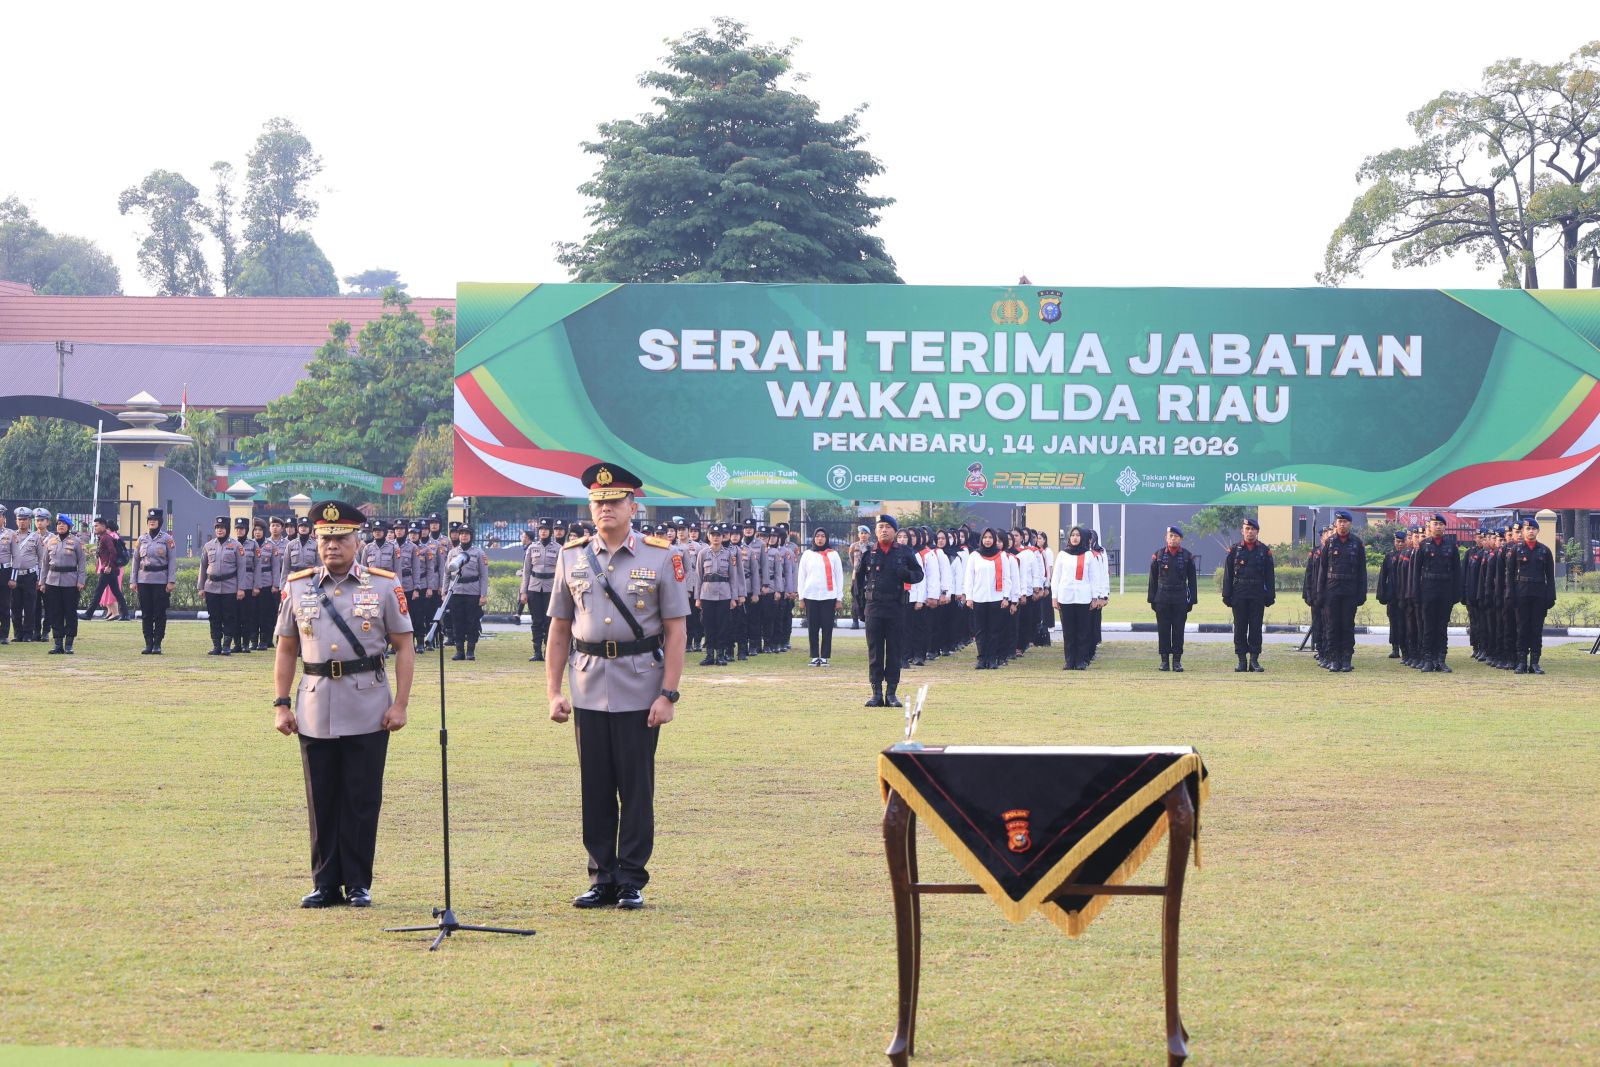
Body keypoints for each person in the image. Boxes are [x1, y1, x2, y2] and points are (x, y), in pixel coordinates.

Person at [545, 463, 687, 911]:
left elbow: (676, 631)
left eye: (614, 501)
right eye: (598, 501)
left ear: (632, 506)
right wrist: (553, 691)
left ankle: (630, 877)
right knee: (596, 786)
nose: (605, 508)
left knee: (636, 787)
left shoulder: (660, 556)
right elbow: (559, 629)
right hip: (587, 684)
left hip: (640, 685)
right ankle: (601, 876)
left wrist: (668, 694)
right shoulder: (571, 556)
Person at [273, 498, 413, 908]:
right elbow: (286, 648)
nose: (332, 546)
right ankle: (324, 883)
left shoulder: (383, 585)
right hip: (315, 705)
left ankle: (357, 883)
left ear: (358, 542)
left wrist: (401, 704)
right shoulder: (299, 586)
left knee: (361, 797)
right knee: (321, 798)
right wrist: (281, 704)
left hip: (368, 706)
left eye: (341, 538)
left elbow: (405, 646)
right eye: (325, 539)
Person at [851, 514, 924, 708]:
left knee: (894, 651)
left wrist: (906, 574)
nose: (884, 530)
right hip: (873, 607)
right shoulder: (869, 553)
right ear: (876, 531)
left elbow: (919, 574)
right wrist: (860, 608)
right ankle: (876, 693)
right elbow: (858, 583)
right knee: (875, 651)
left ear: (894, 531)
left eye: (888, 527)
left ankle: (891, 693)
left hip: (896, 608)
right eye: (881, 527)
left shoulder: (904, 552)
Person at [1221, 516, 1274, 673]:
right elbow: (1228, 574)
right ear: (1242, 531)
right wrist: (1226, 594)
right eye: (1247, 529)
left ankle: (1254, 660)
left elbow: (1270, 576)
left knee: (1256, 627)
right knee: (1240, 627)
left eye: (1253, 529)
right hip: (1240, 592)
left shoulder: (1264, 551)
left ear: (1257, 532)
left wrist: (1270, 595)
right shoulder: (1234, 550)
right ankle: (1242, 660)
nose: (1250, 532)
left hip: (1257, 593)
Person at [1317, 510, 1367, 673]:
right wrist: (1320, 593)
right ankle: (1334, 659)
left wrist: (1362, 593)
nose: (1342, 524)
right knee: (1332, 626)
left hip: (1350, 591)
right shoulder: (1330, 543)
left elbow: (1362, 571)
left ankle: (1346, 659)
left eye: (1345, 522)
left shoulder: (1357, 543)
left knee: (1347, 626)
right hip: (1332, 590)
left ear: (1350, 524)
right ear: (1336, 524)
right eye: (1339, 522)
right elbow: (1322, 570)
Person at [1052, 525, 1107, 670]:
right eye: (1073, 535)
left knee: (1083, 631)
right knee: (1068, 632)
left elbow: (1094, 577)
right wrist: (1054, 596)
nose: (1075, 538)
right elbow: (1056, 576)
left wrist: (1095, 597)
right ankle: (1069, 661)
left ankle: (1081, 661)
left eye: (1078, 535)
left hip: (1083, 598)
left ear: (1082, 538)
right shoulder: (1062, 555)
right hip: (1065, 597)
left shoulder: (1088, 555)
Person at [1410, 513, 1460, 673]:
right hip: (1428, 591)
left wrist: (1456, 594)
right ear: (1430, 527)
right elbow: (1416, 572)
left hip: (1445, 591)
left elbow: (1457, 572)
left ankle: (1440, 660)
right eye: (1435, 524)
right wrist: (1415, 593)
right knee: (1428, 627)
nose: (1438, 526)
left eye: (1440, 524)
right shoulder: (1423, 545)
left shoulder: (1451, 546)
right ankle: (1427, 660)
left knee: (1442, 627)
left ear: (1445, 527)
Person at [1508, 517, 1556, 674]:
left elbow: (1550, 576)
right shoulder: (1516, 550)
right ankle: (1521, 662)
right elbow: (1509, 575)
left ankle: (1534, 663)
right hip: (1521, 593)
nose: (1530, 531)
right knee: (1522, 629)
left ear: (1538, 531)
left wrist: (1551, 596)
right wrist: (1511, 595)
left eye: (1533, 529)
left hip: (1539, 594)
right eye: (1527, 529)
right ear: (1523, 531)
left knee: (1536, 629)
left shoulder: (1545, 551)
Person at [1147, 524, 1198, 672]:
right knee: (1163, 630)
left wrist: (1192, 600)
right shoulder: (1158, 555)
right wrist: (1152, 599)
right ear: (1166, 538)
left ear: (1180, 539)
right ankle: (1164, 661)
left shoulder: (1187, 557)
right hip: (1162, 598)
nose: (1173, 539)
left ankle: (1177, 661)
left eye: (1176, 536)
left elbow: (1192, 580)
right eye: (1170, 536)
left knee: (1178, 630)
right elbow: (1152, 580)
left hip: (1180, 598)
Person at [964, 528, 1014, 670]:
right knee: (980, 631)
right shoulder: (974, 555)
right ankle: (982, 658)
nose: (987, 540)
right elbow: (969, 577)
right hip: (978, 598)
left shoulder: (1001, 555)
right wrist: (969, 597)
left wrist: (1006, 597)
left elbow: (1007, 578)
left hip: (996, 598)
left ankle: (992, 659)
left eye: (990, 537)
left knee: (994, 630)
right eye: (985, 537)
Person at [199, 517, 246, 656]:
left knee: (229, 617)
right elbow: (203, 567)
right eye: (217, 527)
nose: (219, 530)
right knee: (214, 617)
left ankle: (226, 645)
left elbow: (241, 568)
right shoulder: (208, 546)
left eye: (222, 527)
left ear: (227, 529)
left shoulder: (236, 546)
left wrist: (241, 588)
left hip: (229, 587)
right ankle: (216, 645)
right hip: (211, 587)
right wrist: (201, 587)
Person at [798, 526, 844, 665]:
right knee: (812, 628)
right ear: (813, 538)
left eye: (823, 536)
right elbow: (801, 576)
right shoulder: (807, 554)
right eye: (817, 536)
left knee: (827, 627)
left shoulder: (833, 554)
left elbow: (839, 577)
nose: (820, 539)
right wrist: (801, 597)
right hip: (810, 596)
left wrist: (839, 598)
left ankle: (824, 656)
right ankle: (814, 656)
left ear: (827, 538)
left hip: (829, 596)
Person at [133, 508, 177, 654]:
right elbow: (135, 561)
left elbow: (172, 561)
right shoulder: (141, 539)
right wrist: (133, 580)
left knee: (159, 613)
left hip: (160, 581)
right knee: (146, 613)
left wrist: (171, 581)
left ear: (160, 522)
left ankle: (157, 643)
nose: (152, 522)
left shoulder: (167, 539)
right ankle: (148, 643)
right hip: (143, 580)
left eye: (155, 520)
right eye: (150, 520)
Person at [42, 513, 87, 654]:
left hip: (70, 582)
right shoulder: (50, 541)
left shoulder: (76, 542)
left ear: (68, 526)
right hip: (52, 582)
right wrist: (42, 582)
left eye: (63, 524)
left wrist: (81, 581)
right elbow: (44, 564)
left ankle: (69, 644)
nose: (61, 526)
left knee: (70, 613)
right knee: (55, 613)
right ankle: (58, 644)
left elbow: (82, 563)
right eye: (59, 524)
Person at [446, 525, 488, 661]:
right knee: (457, 621)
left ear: (471, 536)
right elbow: (446, 574)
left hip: (472, 591)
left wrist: (483, 594)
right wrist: (444, 592)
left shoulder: (479, 553)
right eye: (461, 533)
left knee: (472, 621)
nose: (464, 536)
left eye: (467, 534)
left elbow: (484, 575)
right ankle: (459, 651)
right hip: (456, 590)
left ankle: (470, 650)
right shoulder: (452, 552)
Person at [522, 517, 560, 662]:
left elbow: (561, 572)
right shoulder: (532, 548)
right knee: (536, 621)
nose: (543, 532)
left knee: (549, 621)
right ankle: (537, 651)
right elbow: (526, 571)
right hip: (534, 587)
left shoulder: (558, 548)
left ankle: (548, 651)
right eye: (541, 529)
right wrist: (523, 591)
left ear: (550, 532)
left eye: (546, 529)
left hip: (551, 588)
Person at [83, 516, 127, 622]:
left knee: (98, 592)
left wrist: (109, 566)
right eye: (94, 526)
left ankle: (88, 614)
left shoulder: (105, 538)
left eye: (96, 526)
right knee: (117, 593)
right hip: (110, 570)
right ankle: (126, 614)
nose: (94, 528)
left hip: (108, 570)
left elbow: (113, 552)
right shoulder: (103, 537)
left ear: (103, 526)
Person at [8, 508, 40, 642]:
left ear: (29, 521)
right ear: (16, 521)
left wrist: (40, 578)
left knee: (29, 606)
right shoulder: (11, 535)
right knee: (15, 606)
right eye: (19, 519)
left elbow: (41, 558)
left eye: (24, 519)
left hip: (29, 576)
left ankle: (28, 634)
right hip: (14, 576)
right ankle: (18, 634)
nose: (22, 522)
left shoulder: (35, 536)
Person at [1376, 530, 1408, 660]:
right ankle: (1395, 648)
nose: (1400, 544)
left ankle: (1405, 649)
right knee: (1393, 622)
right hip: (1392, 595)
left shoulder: (1409, 555)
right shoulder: (1389, 556)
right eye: (1398, 541)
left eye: (1402, 542)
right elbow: (1383, 576)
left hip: (1405, 595)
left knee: (1405, 622)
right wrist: (1381, 594)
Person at [0, 505, 13, 645]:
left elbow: (16, 557)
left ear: (4, 518)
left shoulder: (10, 534)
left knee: (4, 605)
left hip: (4, 572)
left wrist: (13, 577)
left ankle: (3, 634)